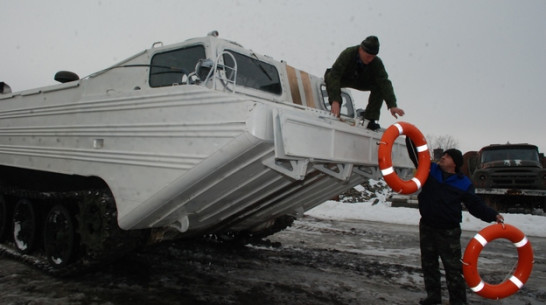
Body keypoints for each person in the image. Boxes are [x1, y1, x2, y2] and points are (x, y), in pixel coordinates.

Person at [407, 146, 504, 305]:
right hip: (427, 227)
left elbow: (474, 204)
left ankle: (458, 301)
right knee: (429, 265)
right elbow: (416, 155)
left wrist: (492, 215)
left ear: (455, 163)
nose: (443, 157)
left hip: (448, 231)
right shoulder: (430, 169)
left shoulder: (463, 182)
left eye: (447, 156)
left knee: (453, 269)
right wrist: (409, 134)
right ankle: (433, 297)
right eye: (443, 155)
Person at [324, 35, 404, 130]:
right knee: (330, 76)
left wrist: (392, 105)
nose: (370, 59)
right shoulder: (348, 53)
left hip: (361, 81)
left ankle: (370, 119)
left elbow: (385, 82)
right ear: (361, 49)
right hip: (344, 78)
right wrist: (335, 101)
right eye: (368, 56)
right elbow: (335, 74)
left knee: (379, 86)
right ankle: (335, 112)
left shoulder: (376, 63)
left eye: (373, 57)